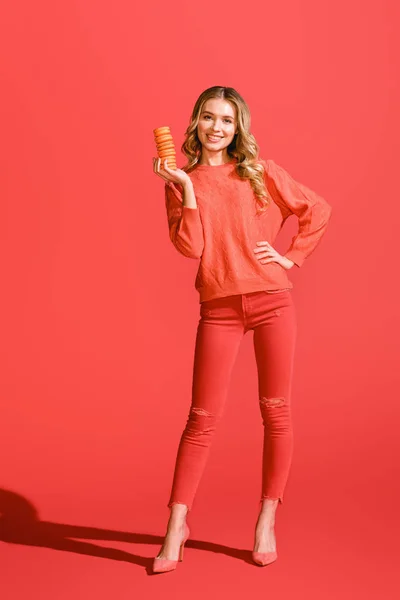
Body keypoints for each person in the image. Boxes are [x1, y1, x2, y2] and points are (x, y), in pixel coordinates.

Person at [151, 86, 332, 573]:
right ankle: (176, 526)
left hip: (273, 301)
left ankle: (267, 519)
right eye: (209, 118)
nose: (217, 128)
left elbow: (317, 209)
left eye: (227, 121)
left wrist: (292, 256)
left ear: (238, 128)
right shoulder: (179, 180)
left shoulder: (261, 171)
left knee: (276, 412)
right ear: (195, 123)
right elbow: (191, 248)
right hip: (219, 306)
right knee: (201, 418)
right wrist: (186, 189)